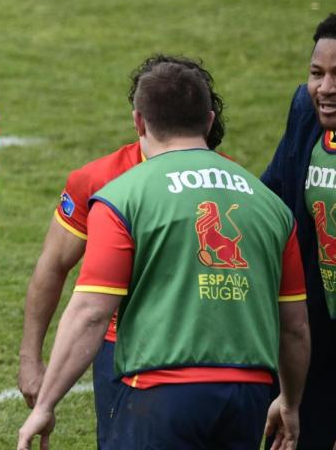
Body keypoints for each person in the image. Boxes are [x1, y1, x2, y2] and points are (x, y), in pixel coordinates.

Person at [17, 56, 310, 450]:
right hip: (247, 388)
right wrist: (290, 401)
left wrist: (46, 404)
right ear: (209, 121)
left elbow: (91, 311)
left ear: (139, 122)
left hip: (157, 383)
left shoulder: (122, 196)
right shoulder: (267, 202)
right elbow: (295, 326)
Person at [16, 64, 227, 446]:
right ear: (208, 120)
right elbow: (54, 264)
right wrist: (30, 359)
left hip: (210, 343)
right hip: (122, 350)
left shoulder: (230, 185)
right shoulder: (97, 179)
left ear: (138, 120)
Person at [262, 11, 336, 450]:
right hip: (323, 334)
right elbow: (270, 200)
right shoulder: (307, 117)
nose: (325, 88)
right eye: (317, 73)